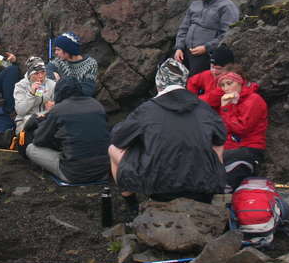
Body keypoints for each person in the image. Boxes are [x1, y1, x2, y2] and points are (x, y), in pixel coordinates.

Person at [109, 59, 226, 212]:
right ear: (184, 82)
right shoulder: (203, 107)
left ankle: (132, 205)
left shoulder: (147, 110)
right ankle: (214, 188)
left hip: (159, 186)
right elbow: (221, 137)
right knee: (218, 145)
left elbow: (118, 138)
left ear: (159, 83)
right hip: (201, 184)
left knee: (113, 148)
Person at [26, 78, 110, 183]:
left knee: (31, 148)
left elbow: (39, 140)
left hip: (74, 174)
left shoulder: (59, 109)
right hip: (104, 171)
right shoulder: (97, 105)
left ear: (59, 91)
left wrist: (42, 122)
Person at [173, 0, 240, 76]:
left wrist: (206, 48)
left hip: (205, 55)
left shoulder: (226, 7)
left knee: (194, 82)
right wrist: (179, 48)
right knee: (173, 78)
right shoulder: (195, 4)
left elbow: (228, 34)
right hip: (184, 52)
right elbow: (184, 27)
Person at [216, 64, 268, 190]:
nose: (226, 88)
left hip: (249, 148)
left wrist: (225, 109)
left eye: (229, 83)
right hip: (231, 148)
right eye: (223, 85)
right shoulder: (232, 100)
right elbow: (223, 129)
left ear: (240, 82)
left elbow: (241, 128)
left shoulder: (254, 100)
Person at [46, 31, 98, 96]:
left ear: (68, 50)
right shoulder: (59, 61)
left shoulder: (90, 64)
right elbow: (46, 71)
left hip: (79, 101)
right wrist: (53, 76)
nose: (56, 52)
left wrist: (60, 83)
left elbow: (87, 91)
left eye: (58, 50)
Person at [13, 56, 56, 133]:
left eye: (43, 72)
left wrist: (54, 106)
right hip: (25, 121)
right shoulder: (20, 86)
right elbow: (20, 111)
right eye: (36, 73)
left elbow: (60, 106)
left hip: (46, 119)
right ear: (30, 74)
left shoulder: (52, 84)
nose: (40, 76)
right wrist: (31, 94)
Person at [187, 45, 236, 110]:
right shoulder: (209, 74)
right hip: (205, 108)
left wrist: (191, 100)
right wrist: (192, 96)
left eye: (219, 69)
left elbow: (209, 100)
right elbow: (192, 81)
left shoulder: (232, 83)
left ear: (230, 69)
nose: (214, 71)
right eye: (212, 67)